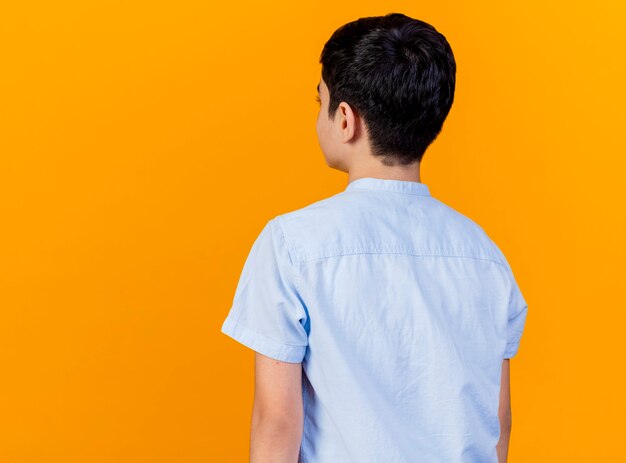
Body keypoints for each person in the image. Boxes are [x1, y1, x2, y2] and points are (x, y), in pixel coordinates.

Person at [220, 12, 528, 463]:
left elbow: (277, 422)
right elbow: (497, 423)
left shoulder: (291, 245)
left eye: (319, 99)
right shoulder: (485, 255)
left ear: (345, 119)